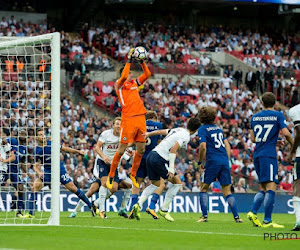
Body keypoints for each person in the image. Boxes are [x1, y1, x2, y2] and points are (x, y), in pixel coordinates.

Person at [130, 118, 201, 222]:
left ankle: (138, 205)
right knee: (177, 183)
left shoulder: (178, 129)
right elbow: (173, 149)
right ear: (195, 130)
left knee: (155, 184)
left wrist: (149, 134)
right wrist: (171, 169)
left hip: (151, 155)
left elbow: (161, 132)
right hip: (160, 158)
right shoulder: (186, 136)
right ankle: (164, 209)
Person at [23, 129, 97, 218]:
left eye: (43, 134)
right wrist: (39, 172)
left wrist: (78, 152)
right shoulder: (37, 151)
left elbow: (65, 148)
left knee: (73, 188)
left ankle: (91, 206)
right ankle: (31, 213)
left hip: (59, 170)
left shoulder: (52, 144)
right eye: (40, 135)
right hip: (48, 172)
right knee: (35, 186)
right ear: (37, 138)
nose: (43, 136)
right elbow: (35, 165)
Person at [106, 48, 151, 190]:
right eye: (130, 73)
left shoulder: (134, 84)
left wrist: (142, 62)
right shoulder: (119, 85)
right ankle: (111, 175)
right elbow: (125, 74)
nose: (131, 74)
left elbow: (148, 74)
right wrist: (129, 60)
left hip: (141, 118)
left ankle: (133, 174)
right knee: (121, 150)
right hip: (128, 119)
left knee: (141, 149)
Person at [70, 117, 132, 219]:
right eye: (117, 124)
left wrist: (130, 154)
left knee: (114, 188)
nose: (118, 126)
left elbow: (123, 151)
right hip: (102, 162)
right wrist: (104, 157)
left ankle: (96, 204)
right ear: (113, 125)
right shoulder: (106, 134)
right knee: (95, 188)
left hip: (114, 165)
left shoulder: (123, 137)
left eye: (120, 124)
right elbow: (97, 148)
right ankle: (81, 211)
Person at [247, 92, 293, 228]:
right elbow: (286, 133)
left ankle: (253, 212)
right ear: (275, 103)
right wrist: (294, 145)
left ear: (262, 103)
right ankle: (267, 220)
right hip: (269, 155)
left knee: (264, 187)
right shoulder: (278, 115)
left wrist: (274, 141)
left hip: (258, 154)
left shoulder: (254, 117)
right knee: (272, 186)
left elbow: (254, 139)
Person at [196, 107, 243, 223]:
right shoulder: (218, 129)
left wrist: (200, 161)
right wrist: (225, 159)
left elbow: (202, 146)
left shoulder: (203, 129)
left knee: (203, 188)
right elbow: (228, 146)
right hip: (224, 161)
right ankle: (237, 217)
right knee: (227, 190)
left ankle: (204, 216)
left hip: (212, 161)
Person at [128, 111, 164, 220]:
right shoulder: (158, 126)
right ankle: (152, 206)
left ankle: (132, 207)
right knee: (160, 183)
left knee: (136, 183)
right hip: (153, 158)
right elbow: (159, 143)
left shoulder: (139, 125)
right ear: (154, 117)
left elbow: (135, 141)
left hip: (140, 157)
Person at [288, 102, 300, 231]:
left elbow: (299, 133)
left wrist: (292, 151)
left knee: (297, 186)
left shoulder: (295, 110)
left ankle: (299, 220)